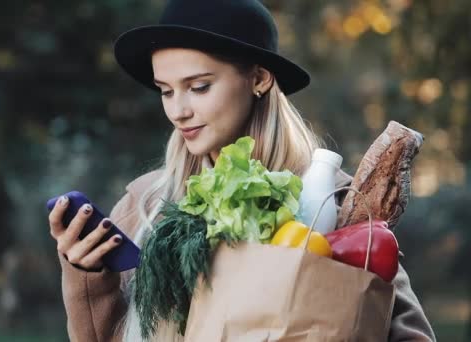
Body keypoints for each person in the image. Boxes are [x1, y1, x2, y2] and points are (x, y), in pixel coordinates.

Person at [48, 0, 436, 341]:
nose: (178, 110)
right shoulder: (145, 203)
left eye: (198, 87)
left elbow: (406, 333)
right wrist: (90, 276)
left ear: (259, 79)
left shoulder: (331, 202)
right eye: (166, 90)